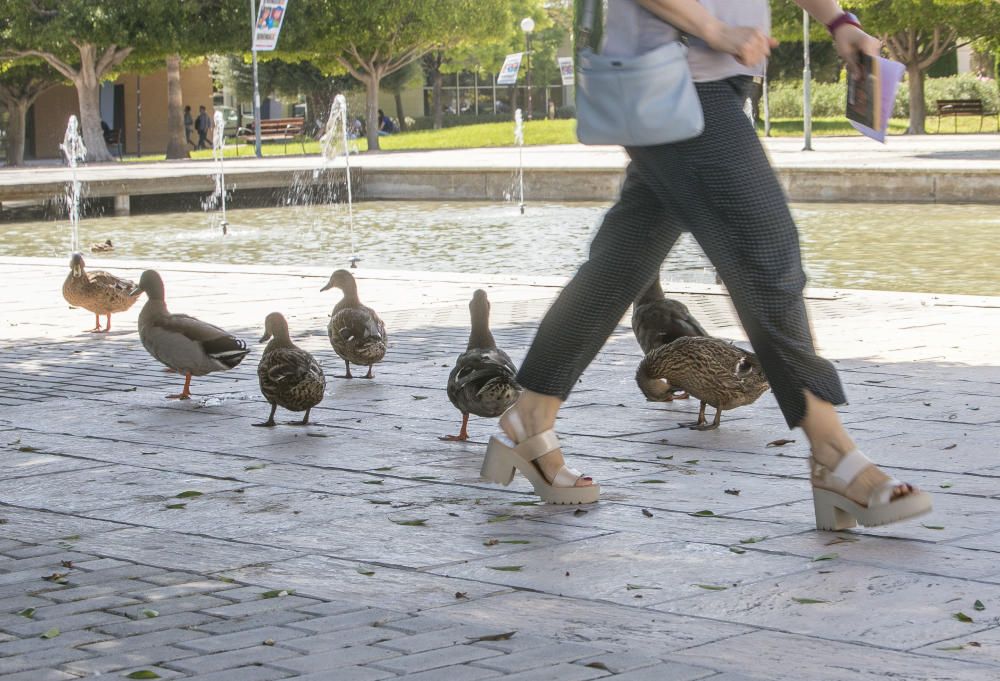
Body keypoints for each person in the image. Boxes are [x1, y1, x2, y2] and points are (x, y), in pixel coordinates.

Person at [480, 0, 933, 528]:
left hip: (711, 79)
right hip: (674, 75)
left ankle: (530, 420)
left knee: (621, 265)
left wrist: (837, 21)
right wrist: (712, 28)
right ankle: (833, 455)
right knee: (768, 253)